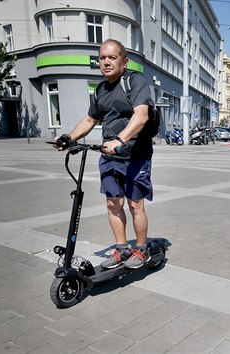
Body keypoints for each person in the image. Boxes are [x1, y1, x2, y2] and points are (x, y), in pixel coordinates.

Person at [53, 39, 155, 269]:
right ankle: (121, 249)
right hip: (109, 157)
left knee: (135, 205)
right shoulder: (100, 90)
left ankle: (141, 248)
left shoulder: (134, 82)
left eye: (112, 57)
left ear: (124, 61)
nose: (106, 62)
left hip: (135, 156)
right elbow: (90, 119)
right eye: (102, 58)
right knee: (112, 204)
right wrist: (69, 138)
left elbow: (141, 116)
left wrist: (120, 140)